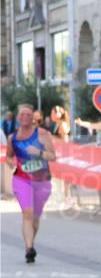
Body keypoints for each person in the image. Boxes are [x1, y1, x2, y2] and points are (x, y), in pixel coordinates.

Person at [5, 104, 57, 263]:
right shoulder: (12, 138)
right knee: (27, 214)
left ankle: (31, 243)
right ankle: (29, 248)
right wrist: (11, 163)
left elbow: (53, 156)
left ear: (33, 117)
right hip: (21, 179)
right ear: (18, 117)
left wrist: (39, 153)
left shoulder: (42, 134)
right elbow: (8, 156)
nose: (25, 117)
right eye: (22, 114)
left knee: (35, 217)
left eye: (28, 114)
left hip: (42, 180)